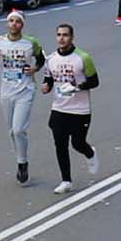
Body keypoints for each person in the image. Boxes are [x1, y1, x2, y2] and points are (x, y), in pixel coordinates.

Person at [0, 11, 45, 186]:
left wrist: (34, 69)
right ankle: (20, 159)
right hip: (6, 91)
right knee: (12, 130)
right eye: (11, 21)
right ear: (7, 24)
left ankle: (22, 163)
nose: (14, 24)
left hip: (25, 89)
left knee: (19, 129)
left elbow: (41, 59)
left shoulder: (30, 42)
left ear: (22, 25)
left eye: (17, 22)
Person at [42, 22, 99, 194]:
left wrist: (77, 87)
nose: (62, 38)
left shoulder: (83, 58)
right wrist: (46, 86)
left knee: (77, 143)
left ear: (72, 37)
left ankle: (90, 153)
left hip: (80, 110)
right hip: (59, 108)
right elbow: (49, 79)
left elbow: (95, 81)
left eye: (65, 35)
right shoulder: (51, 59)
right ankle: (66, 180)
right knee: (60, 145)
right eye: (59, 35)